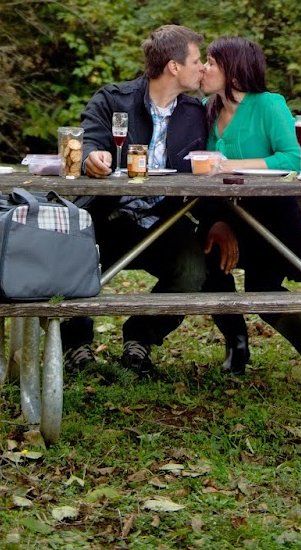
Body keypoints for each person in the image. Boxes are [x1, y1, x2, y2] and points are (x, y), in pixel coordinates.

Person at [63, 23, 238, 376]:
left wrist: (218, 219)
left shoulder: (195, 113)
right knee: (69, 257)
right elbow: (89, 141)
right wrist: (91, 159)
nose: (202, 68)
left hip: (162, 221)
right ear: (174, 67)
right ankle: (75, 346)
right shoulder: (113, 99)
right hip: (105, 218)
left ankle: (141, 337)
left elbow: (207, 169)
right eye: (195, 61)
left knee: (194, 270)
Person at [199, 36, 301, 374]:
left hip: (274, 219)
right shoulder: (207, 110)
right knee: (206, 263)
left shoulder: (269, 104)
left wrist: (228, 165)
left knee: (261, 286)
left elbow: (294, 159)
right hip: (228, 216)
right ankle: (237, 344)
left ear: (232, 72)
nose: (203, 67)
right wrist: (219, 220)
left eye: (211, 62)